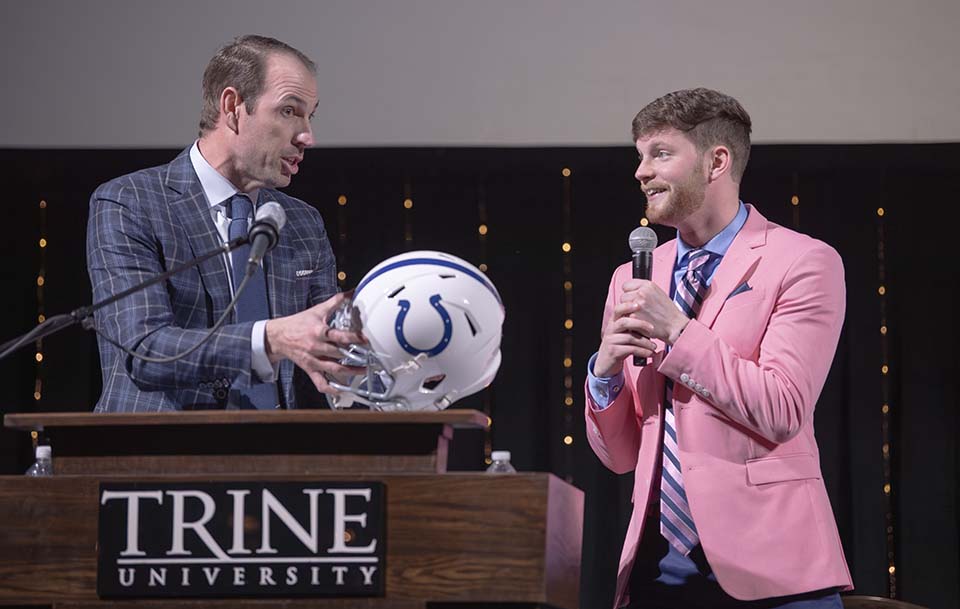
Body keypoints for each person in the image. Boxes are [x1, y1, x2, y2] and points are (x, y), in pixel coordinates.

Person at [585, 88, 853, 608]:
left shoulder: (802, 262)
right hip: (658, 569)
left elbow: (781, 409)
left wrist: (679, 333)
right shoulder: (633, 278)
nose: (641, 171)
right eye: (639, 156)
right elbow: (620, 458)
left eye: (660, 153)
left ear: (717, 161)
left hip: (773, 565)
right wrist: (605, 374)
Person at [86, 35, 363, 412]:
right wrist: (271, 339)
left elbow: (325, 351)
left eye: (309, 116)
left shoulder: (302, 222)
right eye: (289, 111)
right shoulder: (130, 202)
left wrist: (398, 368)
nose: (307, 137)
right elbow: (144, 350)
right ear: (232, 107)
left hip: (279, 459)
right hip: (158, 457)